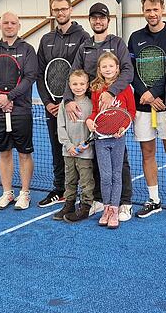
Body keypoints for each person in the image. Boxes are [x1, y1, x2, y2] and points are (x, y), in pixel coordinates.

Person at [64, 2, 134, 221]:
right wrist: (68, 99)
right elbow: (75, 73)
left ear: (108, 20)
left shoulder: (118, 43)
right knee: (96, 158)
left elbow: (128, 71)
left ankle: (124, 202)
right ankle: (101, 201)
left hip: (114, 108)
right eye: (94, 18)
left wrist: (111, 92)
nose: (98, 21)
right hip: (92, 109)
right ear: (90, 20)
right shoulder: (85, 46)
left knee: (119, 162)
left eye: (101, 18)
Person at [127, 0, 166, 220]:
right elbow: (130, 71)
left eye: (155, 9)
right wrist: (147, 95)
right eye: (148, 10)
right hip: (143, 105)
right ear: (143, 11)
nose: (152, 14)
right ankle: (154, 199)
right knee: (147, 152)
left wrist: (157, 93)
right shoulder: (135, 37)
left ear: (162, 9)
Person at [36, 0, 90, 208]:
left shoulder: (83, 36)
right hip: (53, 106)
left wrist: (71, 99)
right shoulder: (46, 39)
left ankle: (88, 193)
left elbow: (84, 71)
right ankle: (60, 189)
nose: (60, 13)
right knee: (58, 147)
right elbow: (40, 73)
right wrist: (48, 101)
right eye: (56, 9)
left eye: (64, 9)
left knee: (83, 148)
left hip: (78, 104)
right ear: (53, 11)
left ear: (71, 10)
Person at [0, 12, 38, 210]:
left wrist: (10, 97)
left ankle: (24, 193)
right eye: (6, 22)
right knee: (4, 153)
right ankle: (7, 192)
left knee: (24, 153)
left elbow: (30, 77)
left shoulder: (28, 50)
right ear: (0, 25)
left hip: (21, 111)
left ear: (19, 25)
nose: (9, 25)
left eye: (13, 23)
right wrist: (0, 100)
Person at [87, 53, 137, 229]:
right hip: (101, 139)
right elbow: (94, 111)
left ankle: (115, 209)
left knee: (117, 175)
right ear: (99, 70)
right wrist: (89, 120)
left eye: (111, 66)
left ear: (117, 68)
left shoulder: (125, 89)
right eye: (104, 67)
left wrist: (123, 127)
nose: (108, 69)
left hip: (118, 139)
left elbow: (131, 111)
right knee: (106, 176)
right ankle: (106, 208)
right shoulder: (96, 88)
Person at [55, 70, 95, 222]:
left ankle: (86, 206)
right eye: (74, 84)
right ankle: (69, 203)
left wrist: (85, 144)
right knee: (69, 180)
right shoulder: (64, 105)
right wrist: (69, 145)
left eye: (82, 84)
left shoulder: (91, 105)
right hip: (68, 152)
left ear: (87, 85)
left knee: (86, 181)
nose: (78, 87)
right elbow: (61, 127)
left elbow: (93, 128)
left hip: (85, 153)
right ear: (69, 85)